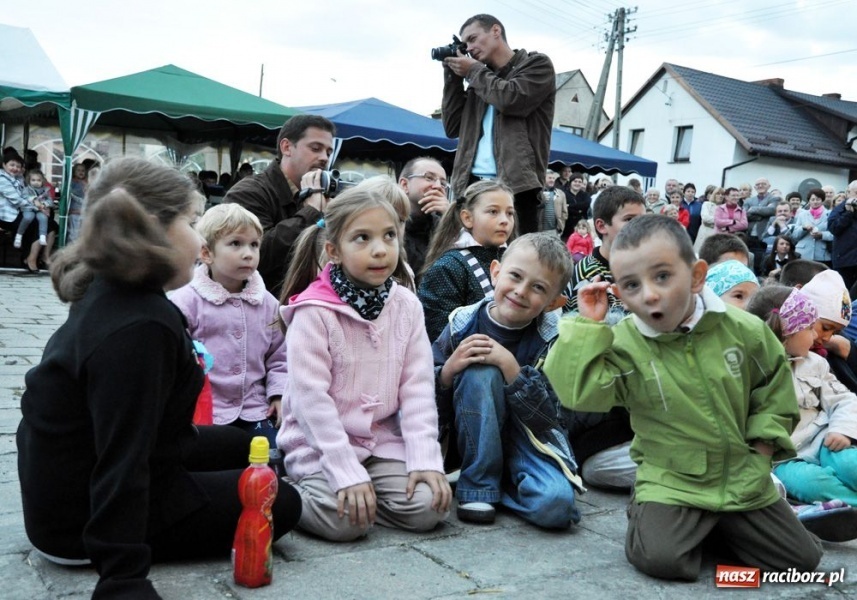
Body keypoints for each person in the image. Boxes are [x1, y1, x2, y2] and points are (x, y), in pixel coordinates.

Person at [16, 157, 302, 599]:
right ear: (152, 228)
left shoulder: (117, 292)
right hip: (78, 521)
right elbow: (122, 459)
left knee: (248, 448)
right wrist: (124, 579)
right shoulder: (139, 328)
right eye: (191, 221)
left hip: (85, 484)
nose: (198, 236)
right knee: (283, 501)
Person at [544, 214, 823, 581]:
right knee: (664, 562)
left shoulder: (745, 331)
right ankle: (652, 516)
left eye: (662, 276)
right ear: (618, 294)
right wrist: (586, 328)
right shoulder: (625, 341)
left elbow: (773, 392)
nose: (649, 293)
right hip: (671, 479)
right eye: (630, 284)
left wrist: (761, 454)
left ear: (696, 275)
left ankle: (713, 530)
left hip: (741, 473)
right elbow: (578, 392)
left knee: (802, 561)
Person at [276, 186, 451, 542]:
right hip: (318, 445)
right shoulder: (314, 313)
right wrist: (343, 469)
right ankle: (286, 490)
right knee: (347, 524)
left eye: (389, 235)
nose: (380, 249)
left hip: (378, 441)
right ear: (333, 251)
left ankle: (364, 497)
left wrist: (424, 458)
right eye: (362, 238)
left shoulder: (406, 305)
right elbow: (311, 402)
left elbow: (417, 388)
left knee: (430, 505)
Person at [432, 233, 582, 527]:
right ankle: (479, 486)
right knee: (479, 369)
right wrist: (448, 371)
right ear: (495, 272)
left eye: (538, 287)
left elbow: (552, 419)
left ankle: (500, 483)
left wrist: (512, 368)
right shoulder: (462, 323)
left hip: (528, 442)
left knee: (557, 508)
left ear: (554, 302)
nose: (521, 291)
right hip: (471, 435)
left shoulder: (555, 339)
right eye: (515, 276)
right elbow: (425, 394)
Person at [169, 203, 287, 447]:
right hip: (203, 412)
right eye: (236, 244)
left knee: (273, 461)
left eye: (254, 245)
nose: (248, 253)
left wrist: (278, 393)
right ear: (206, 253)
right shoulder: (186, 301)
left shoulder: (267, 304)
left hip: (256, 410)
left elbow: (280, 356)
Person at [441, 13, 555, 235]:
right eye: (465, 44)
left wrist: (473, 71)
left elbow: (511, 100)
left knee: (515, 261)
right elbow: (452, 127)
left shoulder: (537, 65)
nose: (470, 48)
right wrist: (453, 77)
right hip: (471, 185)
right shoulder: (480, 79)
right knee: (469, 260)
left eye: (473, 39)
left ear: (496, 31)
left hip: (517, 188)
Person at [747, 286, 857, 508]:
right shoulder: (750, 373)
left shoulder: (815, 363)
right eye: (809, 328)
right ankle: (848, 507)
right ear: (786, 333)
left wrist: (842, 429)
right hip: (785, 459)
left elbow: (844, 399)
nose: (817, 336)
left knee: (850, 464)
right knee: (809, 484)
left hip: (823, 440)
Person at [226, 114, 336, 293]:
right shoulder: (249, 192)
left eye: (328, 152)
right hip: (260, 310)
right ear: (286, 147)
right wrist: (310, 212)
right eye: (315, 148)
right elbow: (256, 255)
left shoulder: (321, 195)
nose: (324, 157)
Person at [418, 180, 515, 342]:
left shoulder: (510, 258)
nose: (505, 220)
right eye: (493, 211)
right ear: (467, 218)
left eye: (510, 213)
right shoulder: (449, 267)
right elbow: (440, 333)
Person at [564, 186, 646, 316]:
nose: (641, 226)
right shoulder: (588, 276)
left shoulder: (645, 265)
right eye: (629, 219)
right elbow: (582, 328)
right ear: (602, 226)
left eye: (643, 220)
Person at [398, 157, 451, 276]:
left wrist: (449, 218)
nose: (437, 186)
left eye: (443, 183)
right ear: (404, 185)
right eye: (429, 178)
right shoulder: (386, 222)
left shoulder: (443, 224)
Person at [828, 180, 857, 291]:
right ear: (848, 193)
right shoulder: (840, 208)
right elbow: (834, 228)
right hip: (844, 259)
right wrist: (848, 213)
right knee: (844, 293)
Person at [791, 187, 831, 266]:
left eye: (818, 199)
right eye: (812, 199)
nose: (815, 202)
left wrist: (822, 235)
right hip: (803, 253)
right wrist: (803, 228)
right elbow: (795, 235)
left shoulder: (829, 214)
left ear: (822, 200)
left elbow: (833, 234)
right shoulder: (802, 214)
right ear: (809, 201)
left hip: (821, 254)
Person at [15, 169, 52, 249]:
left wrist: (44, 204)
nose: (36, 182)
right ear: (29, 180)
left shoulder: (45, 190)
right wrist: (33, 199)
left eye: (39, 180)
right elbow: (25, 196)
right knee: (28, 217)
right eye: (33, 180)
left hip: (40, 209)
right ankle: (19, 234)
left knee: (43, 218)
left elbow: (50, 201)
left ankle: (42, 235)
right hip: (29, 208)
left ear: (42, 181)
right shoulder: (27, 189)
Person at [560, 172, 591, 241]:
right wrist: (579, 210)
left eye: (580, 182)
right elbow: (564, 208)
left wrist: (569, 206)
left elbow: (586, 204)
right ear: (570, 182)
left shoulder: (585, 195)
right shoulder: (564, 194)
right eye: (575, 181)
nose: (577, 183)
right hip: (566, 228)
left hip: (581, 228)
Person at [693, 186, 723, 254]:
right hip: (704, 235)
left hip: (717, 237)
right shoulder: (707, 204)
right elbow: (705, 218)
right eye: (718, 194)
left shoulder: (724, 208)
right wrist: (721, 221)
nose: (720, 196)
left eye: (722, 194)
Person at [538, 170, 567, 235]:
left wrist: (561, 226)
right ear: (544, 179)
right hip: (539, 230)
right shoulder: (538, 193)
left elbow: (564, 212)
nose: (552, 180)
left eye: (553, 178)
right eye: (549, 178)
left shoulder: (561, 193)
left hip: (554, 230)